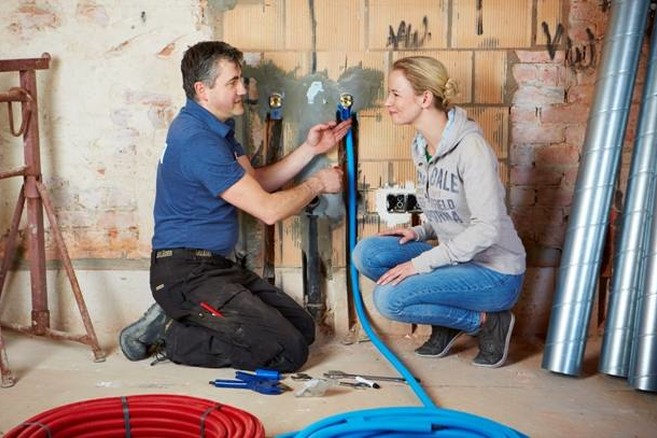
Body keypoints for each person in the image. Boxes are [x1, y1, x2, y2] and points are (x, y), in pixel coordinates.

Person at [119, 41, 351, 372]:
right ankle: (170, 333)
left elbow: (255, 183)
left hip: (214, 268)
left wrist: (311, 150)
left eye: (240, 79)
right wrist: (317, 184)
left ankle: (185, 318)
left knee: (302, 328)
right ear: (202, 90)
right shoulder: (198, 141)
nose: (243, 89)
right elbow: (268, 210)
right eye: (232, 82)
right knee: (288, 352)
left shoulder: (216, 130)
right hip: (185, 275)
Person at [352, 56, 525, 368]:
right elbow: (450, 211)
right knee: (368, 253)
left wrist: (418, 264)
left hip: (494, 273)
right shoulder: (422, 145)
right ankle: (447, 319)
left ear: (425, 98)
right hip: (458, 260)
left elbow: (486, 228)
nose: (387, 102)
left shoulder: (471, 149)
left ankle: (486, 321)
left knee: (387, 299)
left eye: (395, 94)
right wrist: (419, 231)